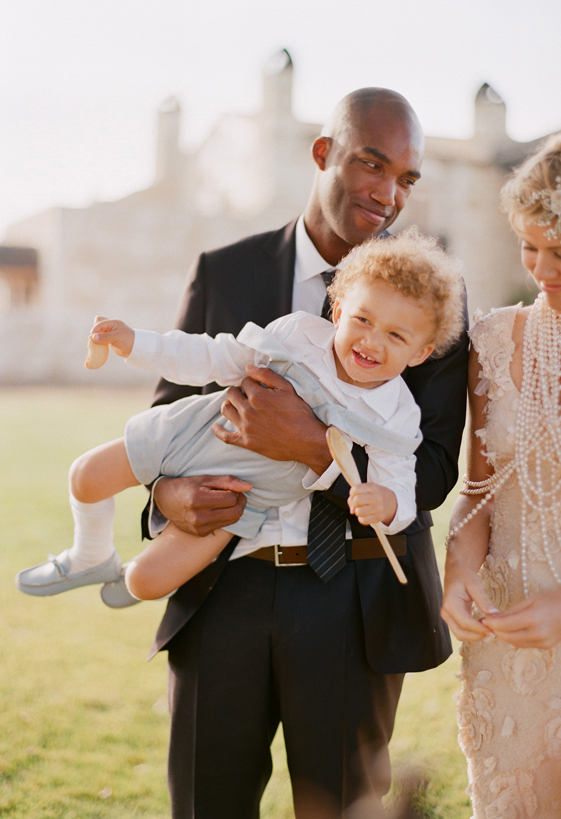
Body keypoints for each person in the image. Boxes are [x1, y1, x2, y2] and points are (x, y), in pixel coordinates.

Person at [142, 88, 467, 819]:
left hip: (357, 601)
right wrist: (169, 496)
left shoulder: (435, 297)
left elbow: (438, 462)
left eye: (407, 180)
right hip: (222, 588)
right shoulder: (225, 271)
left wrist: (318, 455)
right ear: (323, 154)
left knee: (345, 807)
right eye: (372, 164)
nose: (388, 195)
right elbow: (167, 412)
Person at [16, 230, 464, 605]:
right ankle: (88, 554)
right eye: (363, 319)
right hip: (195, 431)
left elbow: (401, 482)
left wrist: (387, 504)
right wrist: (138, 343)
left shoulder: (397, 415)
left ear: (421, 352)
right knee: (85, 475)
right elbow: (215, 355)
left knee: (146, 583)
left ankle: (124, 574)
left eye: (395, 334)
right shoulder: (298, 335)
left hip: (240, 495)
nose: (371, 341)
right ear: (340, 308)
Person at [441, 124, 561, 818]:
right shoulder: (495, 338)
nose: (541, 269)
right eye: (528, 247)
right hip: (504, 659)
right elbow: (479, 490)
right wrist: (458, 568)